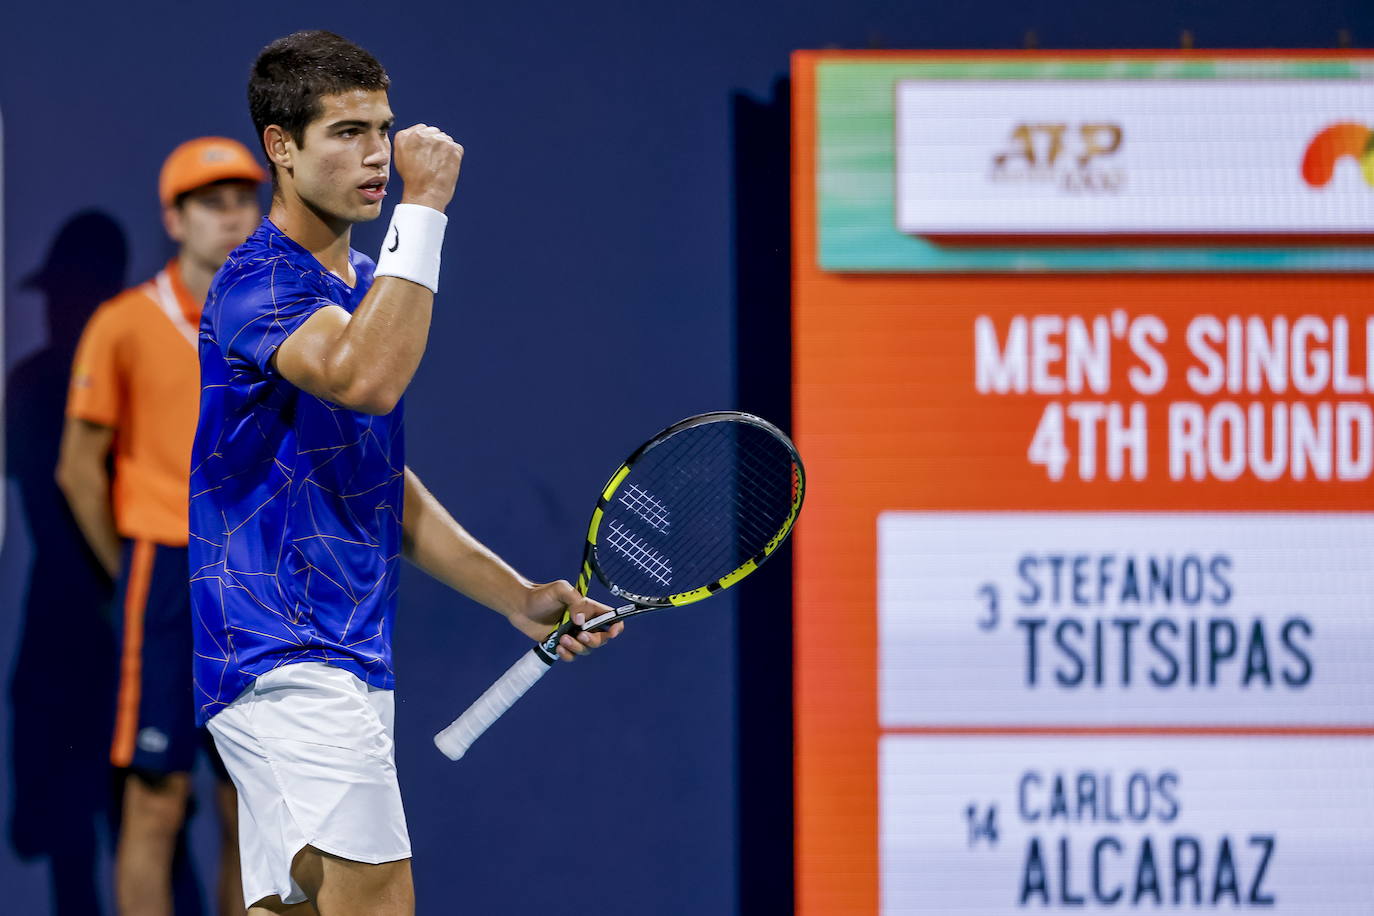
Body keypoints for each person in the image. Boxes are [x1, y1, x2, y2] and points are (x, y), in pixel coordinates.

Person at [188, 31, 623, 916]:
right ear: (281, 146)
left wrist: (514, 595)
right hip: (289, 657)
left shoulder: (352, 284)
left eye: (382, 128)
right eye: (346, 132)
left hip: (329, 659)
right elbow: (366, 380)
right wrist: (423, 212)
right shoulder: (257, 285)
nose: (378, 153)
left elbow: (376, 480)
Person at [57, 137, 266, 916]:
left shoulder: (285, 325)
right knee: (155, 799)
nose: (232, 217)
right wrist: (135, 572)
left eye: (243, 199)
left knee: (251, 806)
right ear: (174, 220)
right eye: (211, 203)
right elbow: (79, 469)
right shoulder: (123, 324)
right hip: (167, 575)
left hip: (259, 580)